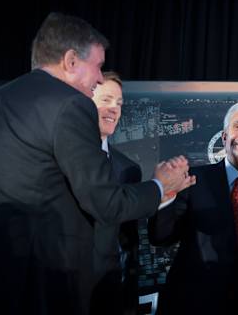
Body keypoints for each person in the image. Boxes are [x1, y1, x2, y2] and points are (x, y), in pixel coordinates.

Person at [0, 12, 194, 315]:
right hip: (41, 287)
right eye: (97, 66)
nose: (99, 78)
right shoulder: (71, 104)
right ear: (71, 61)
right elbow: (106, 204)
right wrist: (162, 185)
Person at [148, 102, 238, 315]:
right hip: (195, 306)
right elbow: (160, 237)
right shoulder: (192, 180)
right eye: (237, 126)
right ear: (224, 137)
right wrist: (166, 196)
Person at [89, 71, 141, 315]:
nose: (114, 109)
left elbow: (128, 245)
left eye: (119, 103)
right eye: (106, 100)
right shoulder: (52, 158)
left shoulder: (128, 169)